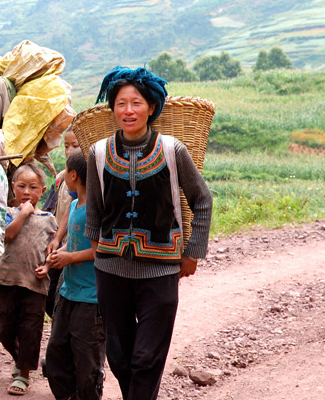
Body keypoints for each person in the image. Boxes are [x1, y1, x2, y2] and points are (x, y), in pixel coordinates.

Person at [85, 66, 212, 400]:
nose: (129, 110)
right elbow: (95, 208)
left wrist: (192, 251)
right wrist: (98, 247)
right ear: (112, 108)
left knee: (147, 356)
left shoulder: (173, 150)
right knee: (120, 355)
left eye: (136, 103)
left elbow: (202, 200)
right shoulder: (98, 153)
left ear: (152, 107)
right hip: (110, 270)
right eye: (121, 103)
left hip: (161, 269)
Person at [45, 151, 106, 400]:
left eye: (65, 170)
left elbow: (100, 249)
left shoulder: (95, 208)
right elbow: (67, 220)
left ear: (73, 175)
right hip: (68, 292)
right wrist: (58, 242)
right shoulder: (75, 203)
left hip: (91, 298)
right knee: (57, 352)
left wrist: (68, 257)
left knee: (87, 361)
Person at [0, 163, 57, 396]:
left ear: (42, 190)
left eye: (33, 187)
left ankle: (23, 373)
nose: (27, 192)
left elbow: (54, 248)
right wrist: (22, 214)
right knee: (3, 329)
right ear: (13, 189)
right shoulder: (9, 214)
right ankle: (20, 358)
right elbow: (7, 235)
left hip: (35, 285)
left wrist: (48, 266)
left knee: (31, 329)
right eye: (22, 186)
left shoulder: (49, 219)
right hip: (9, 281)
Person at [43, 126, 81, 318]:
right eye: (67, 146)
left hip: (76, 247)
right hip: (57, 246)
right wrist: (55, 239)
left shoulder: (85, 181)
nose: (70, 150)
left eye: (76, 145)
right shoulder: (60, 178)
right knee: (50, 297)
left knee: (62, 296)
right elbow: (51, 209)